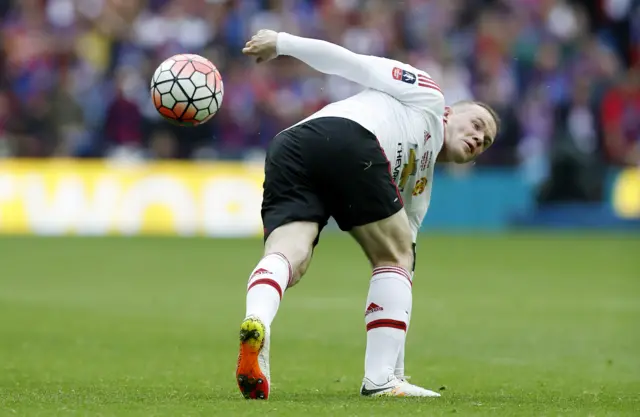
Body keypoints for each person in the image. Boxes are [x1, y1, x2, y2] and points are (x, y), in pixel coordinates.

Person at [236, 29, 499, 400]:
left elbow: (402, 273)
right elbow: (351, 63)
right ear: (450, 112)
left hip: (291, 147)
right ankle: (379, 381)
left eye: (484, 143)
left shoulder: (420, 187)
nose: (477, 139)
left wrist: (400, 369)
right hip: (346, 137)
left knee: (290, 254)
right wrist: (281, 43)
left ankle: (257, 323)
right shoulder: (428, 96)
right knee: (393, 255)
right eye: (476, 126)